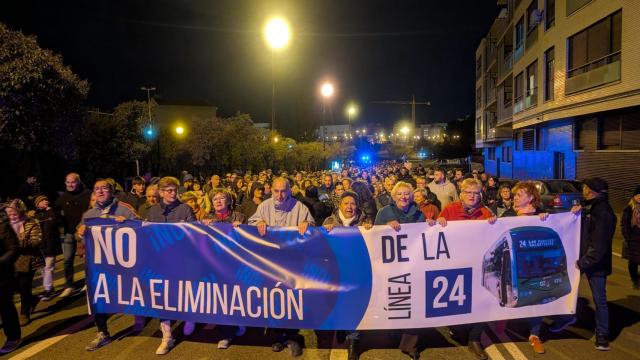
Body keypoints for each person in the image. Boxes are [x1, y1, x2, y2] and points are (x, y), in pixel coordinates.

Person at [248, 177, 314, 358]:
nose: (279, 195)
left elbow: (313, 228)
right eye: (276, 191)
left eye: (283, 191)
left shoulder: (300, 207)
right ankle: (278, 336)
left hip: (293, 263)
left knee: (291, 299)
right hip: (272, 263)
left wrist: (307, 224)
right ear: (271, 191)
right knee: (274, 300)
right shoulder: (264, 206)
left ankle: (293, 337)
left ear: (290, 190)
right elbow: (252, 223)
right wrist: (258, 223)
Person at [550, 177, 616, 351]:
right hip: (585, 259)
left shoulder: (603, 213)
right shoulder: (593, 207)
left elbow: (599, 244)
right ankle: (565, 319)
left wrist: (583, 262)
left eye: (586, 188)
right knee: (567, 290)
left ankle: (602, 336)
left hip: (593, 263)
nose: (584, 191)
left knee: (599, 299)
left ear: (593, 191)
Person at [437, 178, 496, 360]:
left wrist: (495, 224)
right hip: (455, 264)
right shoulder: (449, 210)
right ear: (461, 194)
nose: (472, 196)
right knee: (457, 300)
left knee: (480, 301)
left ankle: (475, 339)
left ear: (480, 195)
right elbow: (436, 236)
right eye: (468, 192)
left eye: (476, 193)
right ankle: (457, 328)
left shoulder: (486, 213)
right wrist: (439, 222)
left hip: (479, 267)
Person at [81, 179, 140, 352]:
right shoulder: (89, 214)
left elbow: (143, 229)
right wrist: (80, 232)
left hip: (126, 264)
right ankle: (102, 333)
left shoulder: (125, 209)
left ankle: (144, 319)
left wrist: (129, 224)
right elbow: (83, 238)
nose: (100, 191)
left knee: (136, 292)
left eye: (104, 188)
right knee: (99, 294)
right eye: (96, 188)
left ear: (112, 191)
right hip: (102, 265)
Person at [374, 182, 425, 360]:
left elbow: (425, 236)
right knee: (395, 301)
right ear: (394, 196)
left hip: (413, 265)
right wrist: (386, 226)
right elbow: (374, 237)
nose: (403, 197)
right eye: (400, 194)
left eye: (407, 194)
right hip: (391, 266)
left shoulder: (419, 214)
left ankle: (410, 344)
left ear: (411, 196)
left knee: (414, 303)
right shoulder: (383, 213)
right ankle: (393, 332)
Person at [145, 176, 196, 355]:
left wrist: (187, 230)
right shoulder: (152, 212)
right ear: (160, 192)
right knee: (162, 298)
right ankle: (167, 336)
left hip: (182, 262)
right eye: (168, 190)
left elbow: (196, 236)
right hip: (161, 263)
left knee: (183, 294)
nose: (173, 193)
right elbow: (144, 235)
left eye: (175, 190)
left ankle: (190, 316)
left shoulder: (185, 209)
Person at [498, 182, 549, 354]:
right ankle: (501, 324)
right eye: (515, 195)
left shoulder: (544, 217)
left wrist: (574, 213)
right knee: (508, 295)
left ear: (531, 198)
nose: (515, 198)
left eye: (519, 195)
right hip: (511, 267)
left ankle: (534, 334)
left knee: (535, 299)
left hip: (534, 268)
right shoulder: (508, 215)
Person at [323, 191, 372, 360]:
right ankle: (341, 328)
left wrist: (370, 230)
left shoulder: (366, 222)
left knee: (354, 307)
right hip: (336, 273)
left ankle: (353, 342)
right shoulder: (330, 221)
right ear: (340, 205)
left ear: (357, 206)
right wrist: (325, 230)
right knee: (337, 305)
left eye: (352, 203)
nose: (349, 207)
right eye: (346, 203)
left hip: (357, 274)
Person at [200, 188, 246, 348]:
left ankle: (239, 323)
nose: (219, 201)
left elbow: (247, 240)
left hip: (235, 264)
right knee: (221, 299)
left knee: (235, 297)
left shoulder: (239, 217)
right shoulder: (207, 219)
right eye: (215, 199)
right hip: (215, 265)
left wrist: (242, 227)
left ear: (228, 201)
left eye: (222, 198)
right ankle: (226, 334)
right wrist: (203, 227)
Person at [5, 199, 42, 326]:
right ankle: (32, 299)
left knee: (24, 285)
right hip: (10, 260)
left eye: (14, 213)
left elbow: (36, 240)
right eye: (9, 213)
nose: (11, 216)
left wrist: (18, 244)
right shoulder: (5, 225)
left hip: (27, 259)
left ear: (20, 211)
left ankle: (24, 312)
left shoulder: (31, 222)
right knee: (14, 285)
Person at [55, 173, 91, 298]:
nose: (70, 184)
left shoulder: (87, 194)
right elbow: (54, 210)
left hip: (84, 232)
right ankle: (69, 285)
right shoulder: (63, 197)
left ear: (78, 182)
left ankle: (88, 282)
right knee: (67, 260)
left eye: (73, 182)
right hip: (69, 232)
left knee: (87, 260)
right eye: (68, 182)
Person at [0, 205, 21, 354]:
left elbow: (14, 248)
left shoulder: (2, 225)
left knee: (5, 306)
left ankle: (13, 337)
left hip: (2, 274)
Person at [33, 195, 61, 301]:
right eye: (42, 200)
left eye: (46, 199)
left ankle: (48, 290)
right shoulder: (35, 215)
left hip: (50, 245)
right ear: (37, 204)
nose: (46, 201)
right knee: (43, 269)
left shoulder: (51, 212)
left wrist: (50, 211)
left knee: (49, 267)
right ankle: (49, 288)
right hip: (40, 246)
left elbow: (56, 222)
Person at [621, 185, 640, 290]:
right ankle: (635, 280)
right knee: (633, 262)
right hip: (633, 240)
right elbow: (624, 224)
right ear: (634, 196)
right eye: (638, 195)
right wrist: (628, 237)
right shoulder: (629, 208)